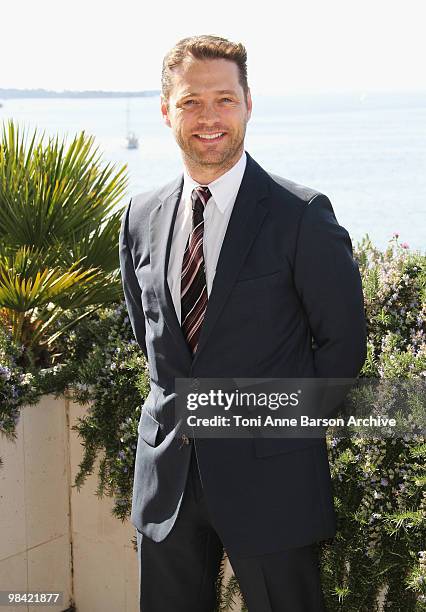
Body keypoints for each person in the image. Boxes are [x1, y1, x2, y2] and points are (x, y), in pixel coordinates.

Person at [119, 34, 367, 612]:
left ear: (248, 103)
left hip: (272, 482)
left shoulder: (301, 216)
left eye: (224, 99)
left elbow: (342, 347)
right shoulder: (139, 217)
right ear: (166, 111)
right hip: (169, 478)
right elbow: (149, 335)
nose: (209, 117)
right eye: (190, 101)